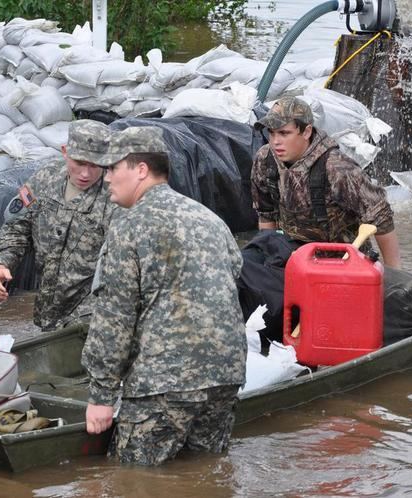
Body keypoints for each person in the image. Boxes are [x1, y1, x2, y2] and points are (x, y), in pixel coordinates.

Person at [82, 126, 247, 466]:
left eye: (113, 167)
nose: (106, 177)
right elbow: (234, 277)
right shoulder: (209, 219)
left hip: (162, 385)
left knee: (133, 481)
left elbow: (114, 318)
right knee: (205, 474)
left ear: (140, 170)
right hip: (225, 378)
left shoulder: (129, 226)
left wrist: (100, 396)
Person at [242, 96, 402, 341]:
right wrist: (266, 255)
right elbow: (266, 215)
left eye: (284, 133)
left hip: (338, 259)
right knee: (244, 266)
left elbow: (381, 216)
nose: (276, 141)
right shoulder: (265, 159)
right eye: (272, 133)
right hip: (291, 251)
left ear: (306, 131)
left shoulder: (336, 168)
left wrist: (393, 279)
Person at [0, 119, 115, 331]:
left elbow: (121, 272)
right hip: (48, 309)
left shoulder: (115, 197)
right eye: (79, 162)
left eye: (95, 165)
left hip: (90, 319)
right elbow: (17, 226)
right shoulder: (45, 178)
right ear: (65, 152)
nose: (85, 173)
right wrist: (2, 264)